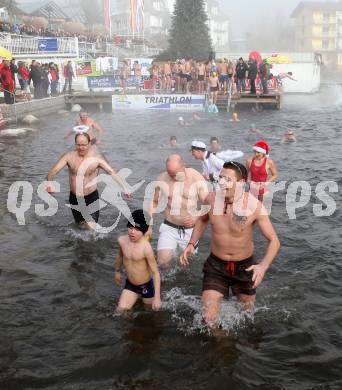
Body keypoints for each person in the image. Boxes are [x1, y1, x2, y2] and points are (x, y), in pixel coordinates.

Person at [180, 161, 280, 326]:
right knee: (208, 320)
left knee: (246, 316)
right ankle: (220, 343)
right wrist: (191, 243)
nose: (221, 182)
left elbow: (274, 241)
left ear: (241, 183)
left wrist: (263, 266)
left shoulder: (254, 205)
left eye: (227, 179)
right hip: (216, 266)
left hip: (244, 267)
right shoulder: (211, 199)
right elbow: (203, 219)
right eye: (220, 178)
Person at [47, 133, 132, 229]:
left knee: (91, 227)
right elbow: (53, 171)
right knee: (80, 225)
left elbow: (111, 172)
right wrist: (50, 183)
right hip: (75, 198)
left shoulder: (97, 158)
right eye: (78, 145)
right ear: (75, 144)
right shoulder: (69, 157)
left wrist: (124, 187)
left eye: (84, 145)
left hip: (91, 198)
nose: (81, 148)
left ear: (89, 144)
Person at [150, 155, 208, 267]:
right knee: (162, 263)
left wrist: (196, 217)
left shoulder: (195, 177)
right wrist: (149, 225)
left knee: (187, 265)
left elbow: (208, 203)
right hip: (169, 227)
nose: (173, 178)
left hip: (190, 230)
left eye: (176, 174)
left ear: (183, 166)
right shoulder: (162, 179)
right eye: (170, 174)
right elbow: (154, 201)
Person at [114, 209, 161, 312]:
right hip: (131, 284)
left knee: (151, 313)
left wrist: (157, 298)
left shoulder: (146, 248)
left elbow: (156, 273)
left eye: (137, 229)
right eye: (130, 227)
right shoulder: (122, 241)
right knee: (120, 312)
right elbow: (120, 257)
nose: (132, 232)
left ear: (143, 231)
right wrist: (117, 271)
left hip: (146, 285)